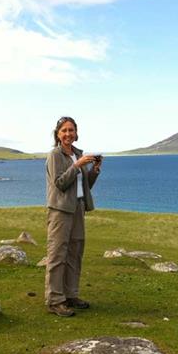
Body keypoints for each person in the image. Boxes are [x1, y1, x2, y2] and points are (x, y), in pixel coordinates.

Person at [44, 116, 103, 317]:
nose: (68, 134)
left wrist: (94, 170)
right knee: (57, 254)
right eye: (64, 131)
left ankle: (70, 295)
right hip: (60, 210)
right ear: (58, 134)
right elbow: (59, 183)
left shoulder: (77, 154)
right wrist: (77, 166)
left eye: (71, 130)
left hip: (78, 208)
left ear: (76, 133)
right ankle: (55, 300)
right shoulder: (55, 155)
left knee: (75, 253)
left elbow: (84, 185)